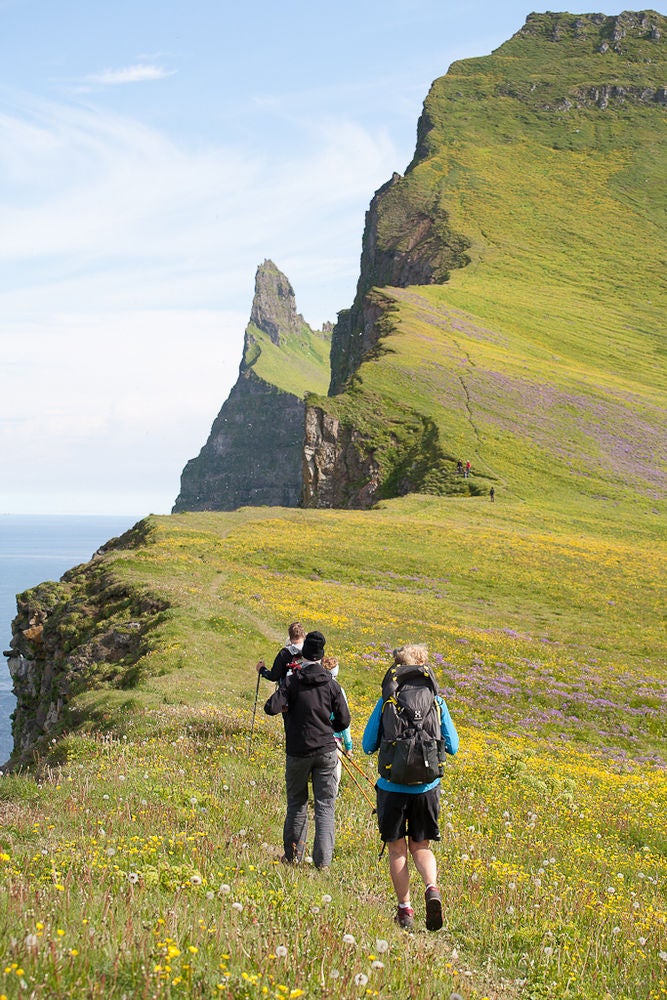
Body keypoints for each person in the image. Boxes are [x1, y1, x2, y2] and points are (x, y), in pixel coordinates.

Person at [363, 644, 458, 931]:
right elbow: (453, 745)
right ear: (424, 666)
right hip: (427, 787)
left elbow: (368, 745)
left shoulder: (388, 699)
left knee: (397, 850)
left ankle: (405, 910)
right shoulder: (436, 701)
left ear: (397, 669)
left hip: (392, 787)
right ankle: (431, 888)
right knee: (422, 846)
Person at [265, 630, 350, 869]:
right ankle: (323, 863)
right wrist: (327, 727)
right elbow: (344, 721)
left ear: (303, 655)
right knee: (325, 805)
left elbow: (270, 707)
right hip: (326, 749)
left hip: (298, 750)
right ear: (321, 655)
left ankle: (293, 856)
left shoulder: (293, 680)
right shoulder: (331, 684)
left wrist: (288, 709)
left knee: (297, 803)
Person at [322, 655, 353, 789]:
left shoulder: (315, 687)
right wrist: (349, 745)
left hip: (316, 737)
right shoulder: (339, 690)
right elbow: (345, 720)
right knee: (334, 779)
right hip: (334, 741)